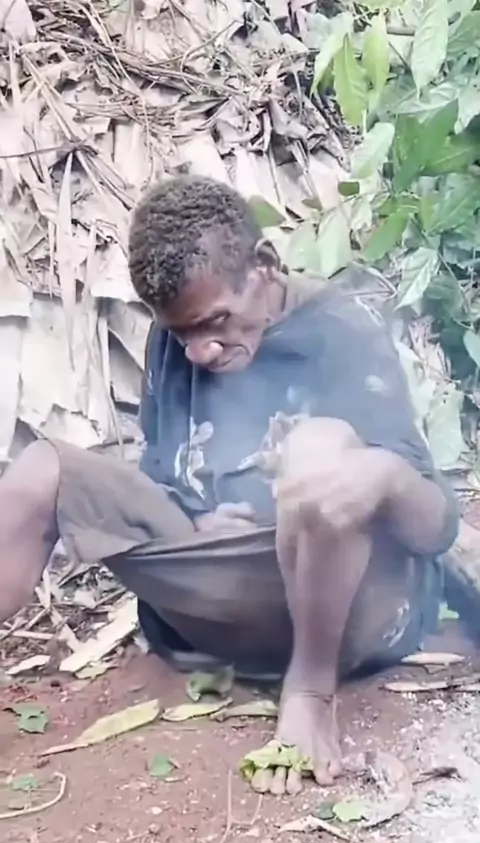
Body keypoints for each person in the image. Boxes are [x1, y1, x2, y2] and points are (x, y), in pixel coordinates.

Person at [0, 176, 458, 794]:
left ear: (264, 267)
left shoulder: (339, 331)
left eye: (214, 322)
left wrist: (380, 475)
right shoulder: (182, 333)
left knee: (319, 448)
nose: (199, 351)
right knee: (43, 468)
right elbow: (165, 476)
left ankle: (309, 695)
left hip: (353, 614)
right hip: (222, 602)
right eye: (180, 333)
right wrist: (203, 517)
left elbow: (436, 527)